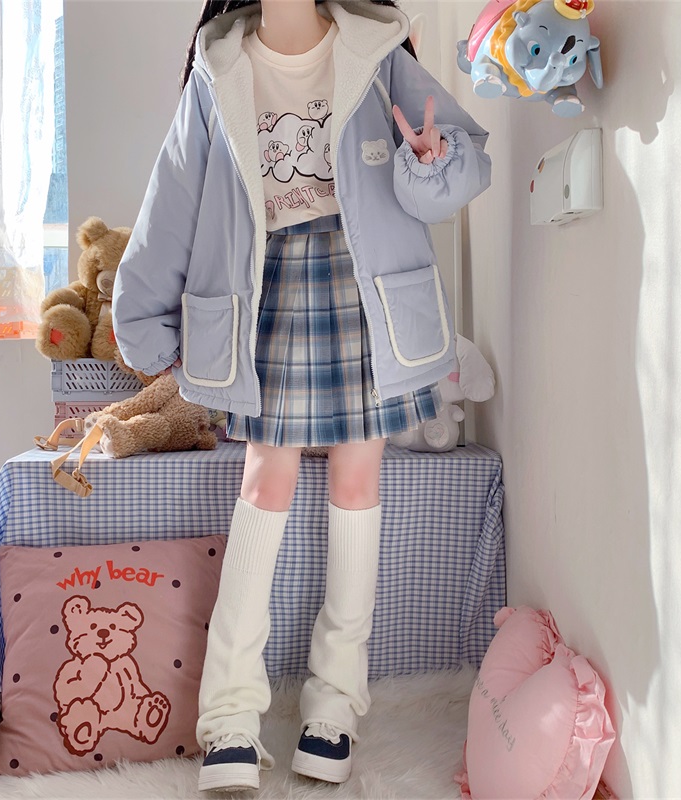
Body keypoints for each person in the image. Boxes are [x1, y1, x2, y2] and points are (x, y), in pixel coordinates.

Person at [112, 0, 490, 792]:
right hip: (268, 288)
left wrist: (431, 159)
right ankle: (228, 720)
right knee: (265, 479)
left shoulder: (378, 51)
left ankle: (334, 710)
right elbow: (171, 205)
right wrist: (141, 320)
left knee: (357, 480)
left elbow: (457, 170)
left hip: (366, 290)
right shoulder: (218, 68)